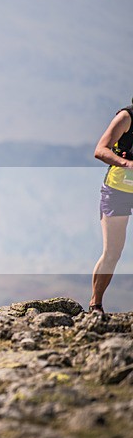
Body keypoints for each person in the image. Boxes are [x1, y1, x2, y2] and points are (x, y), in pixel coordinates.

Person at [90, 97, 133, 314]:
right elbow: (100, 150)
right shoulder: (126, 117)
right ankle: (95, 305)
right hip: (118, 190)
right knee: (113, 252)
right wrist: (127, 163)